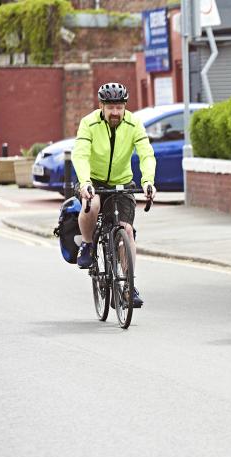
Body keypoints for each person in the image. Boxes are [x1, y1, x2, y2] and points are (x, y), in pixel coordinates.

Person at [72, 82, 156, 308]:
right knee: (94, 203)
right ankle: (88, 244)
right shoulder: (88, 123)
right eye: (111, 107)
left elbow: (147, 154)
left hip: (122, 182)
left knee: (126, 231)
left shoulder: (134, 123)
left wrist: (148, 181)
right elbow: (80, 155)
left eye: (120, 107)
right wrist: (85, 182)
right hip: (94, 180)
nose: (116, 112)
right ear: (101, 106)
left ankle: (129, 286)